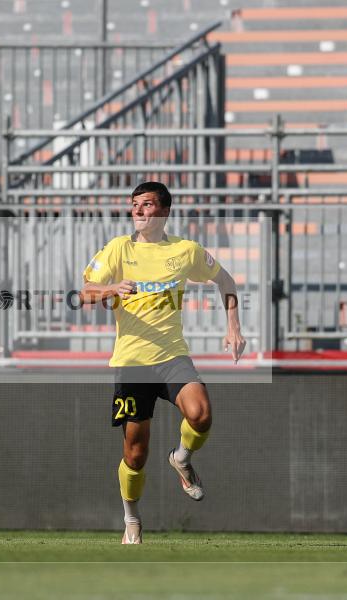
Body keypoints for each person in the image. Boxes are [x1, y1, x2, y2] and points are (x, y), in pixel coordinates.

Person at [80, 181, 246, 544]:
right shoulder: (118, 249)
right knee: (135, 455)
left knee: (201, 413)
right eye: (134, 204)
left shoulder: (185, 251)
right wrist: (110, 289)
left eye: (147, 204)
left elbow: (226, 280)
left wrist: (233, 327)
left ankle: (182, 458)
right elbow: (85, 292)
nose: (138, 211)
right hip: (132, 362)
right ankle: (132, 520)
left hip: (172, 356)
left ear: (164, 211)